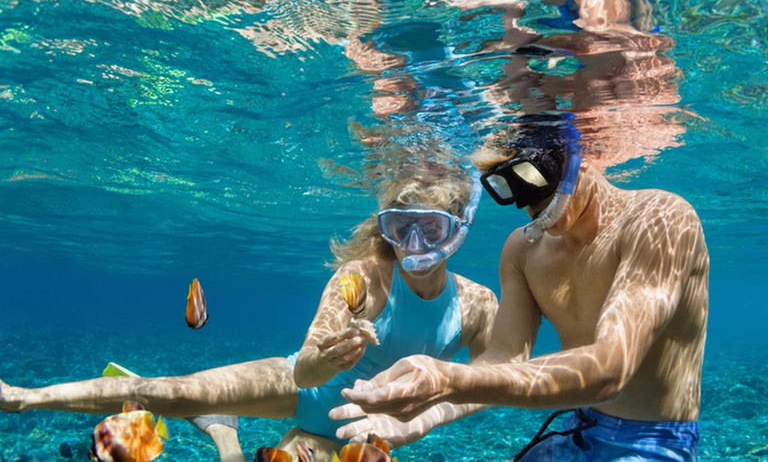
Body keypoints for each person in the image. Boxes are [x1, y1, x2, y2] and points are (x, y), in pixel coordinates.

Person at [0, 161, 498, 461]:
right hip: (302, 391)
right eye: (399, 226)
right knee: (166, 392)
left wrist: (423, 417)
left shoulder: (477, 303)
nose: (414, 245)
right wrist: (325, 359)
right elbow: (304, 369)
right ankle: (23, 397)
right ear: (384, 226)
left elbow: (495, 380)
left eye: (430, 229)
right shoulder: (359, 279)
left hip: (361, 436)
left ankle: (224, 435)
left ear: (458, 229)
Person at [332, 127, 709, 462]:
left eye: (535, 175)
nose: (529, 204)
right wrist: (430, 412)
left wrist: (449, 382)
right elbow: (504, 357)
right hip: (578, 427)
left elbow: (612, 369)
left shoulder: (661, 217)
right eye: (511, 187)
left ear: (582, 157)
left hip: (653, 441)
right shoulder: (523, 250)